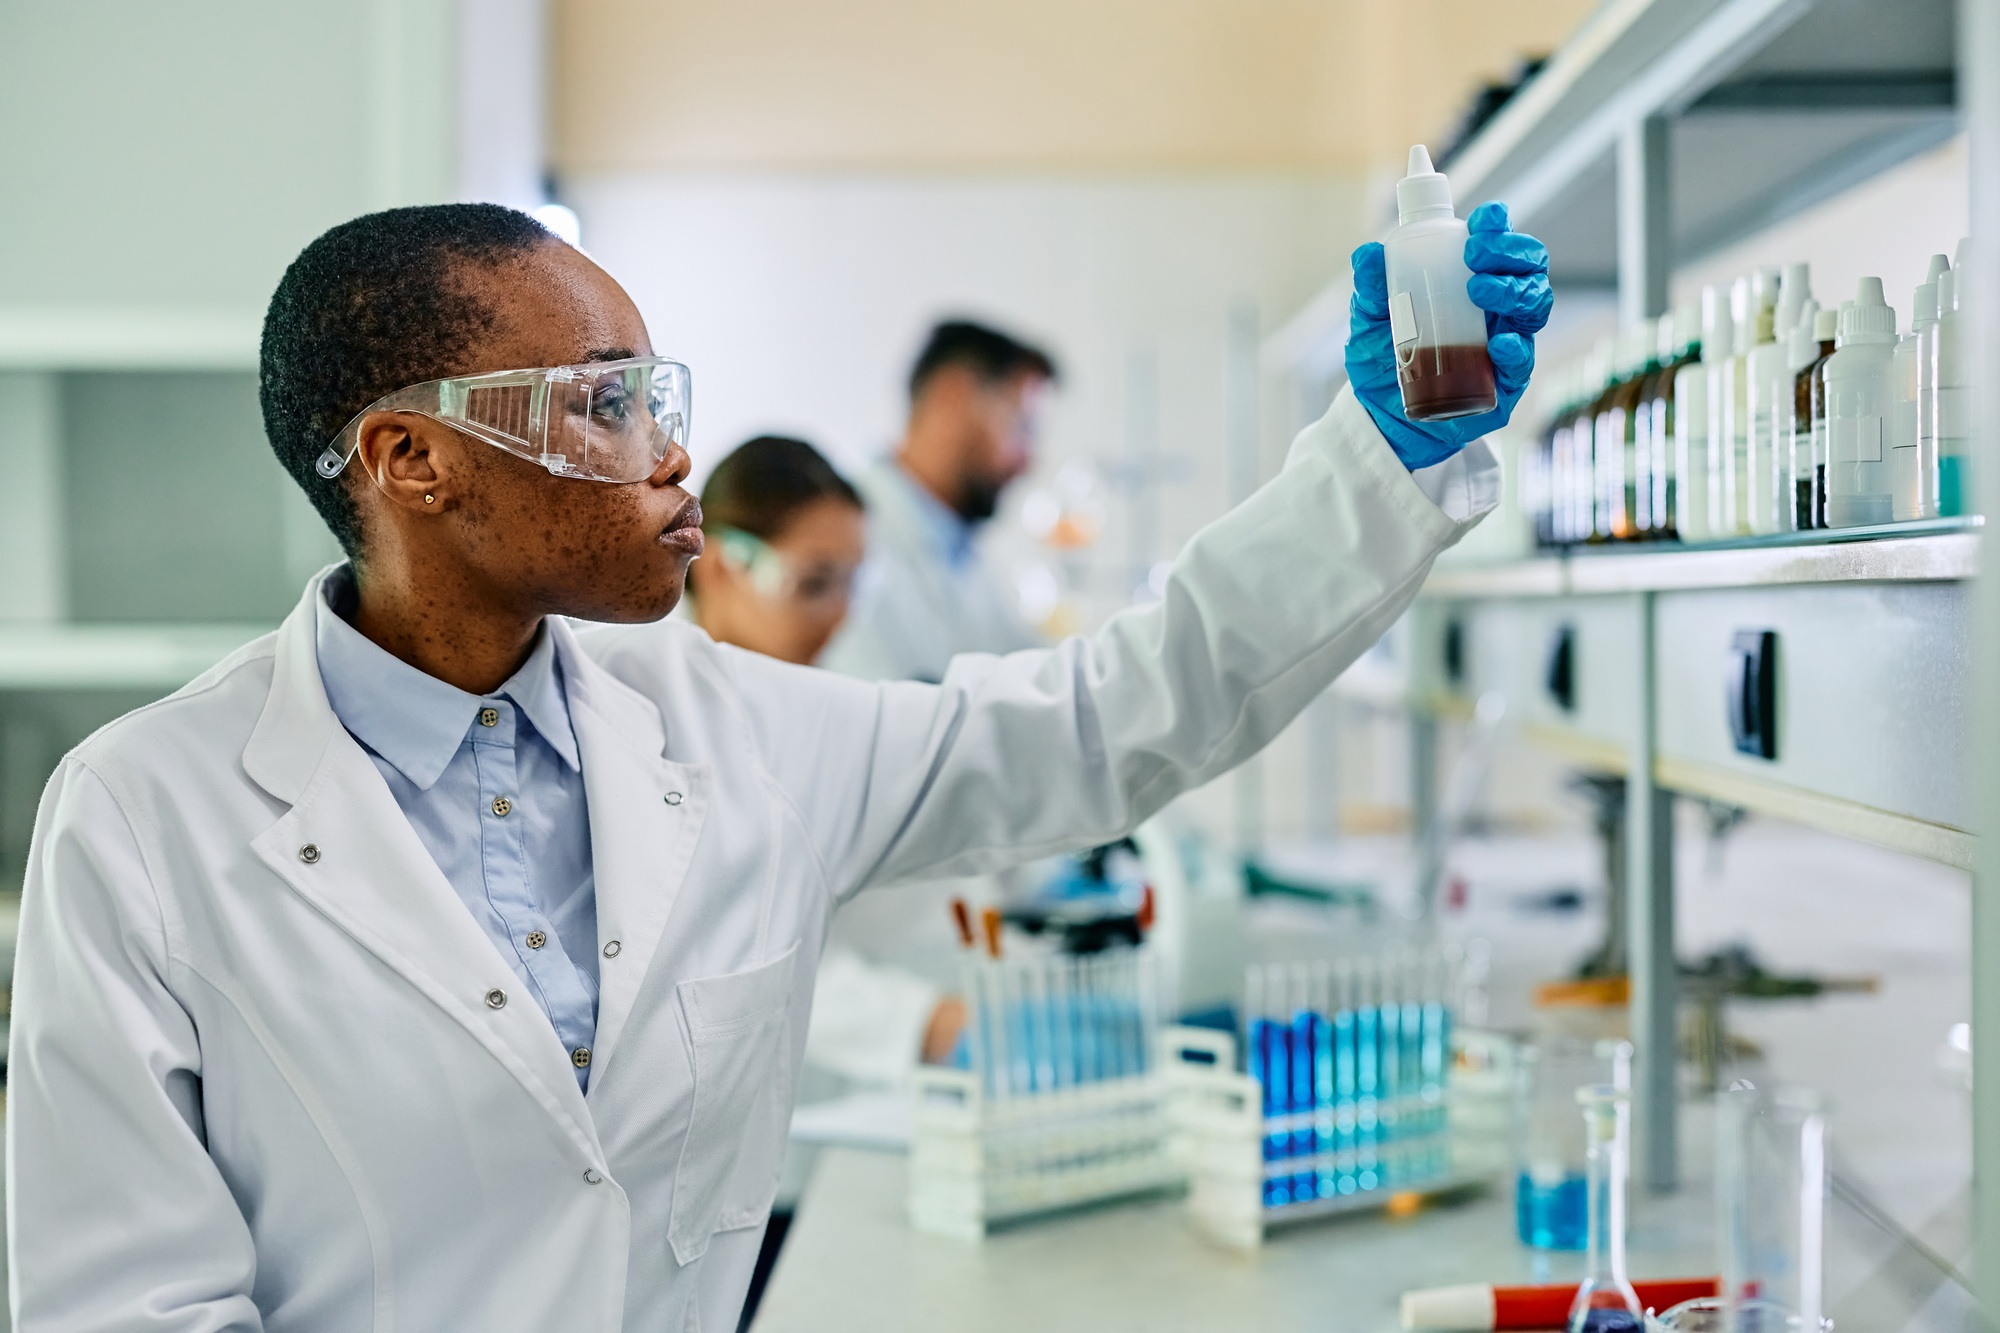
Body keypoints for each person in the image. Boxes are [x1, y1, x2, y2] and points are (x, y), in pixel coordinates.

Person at [8, 201, 1548, 1332]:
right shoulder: (146, 821)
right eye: (605, 403)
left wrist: (1378, 456)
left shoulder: (730, 731)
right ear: (414, 461)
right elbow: (126, 1310)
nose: (671, 452)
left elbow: (1104, 719)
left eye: (656, 394)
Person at [683, 434, 963, 1078]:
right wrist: (928, 1023)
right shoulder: (660, 724)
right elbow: (731, 950)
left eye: (853, 585)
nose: (839, 618)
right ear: (725, 564)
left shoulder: (810, 702)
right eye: (814, 584)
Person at [818, 320, 1054, 682]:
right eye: (1019, 426)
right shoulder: (847, 538)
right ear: (951, 395)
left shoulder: (960, 550)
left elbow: (1040, 676)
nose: (1026, 462)